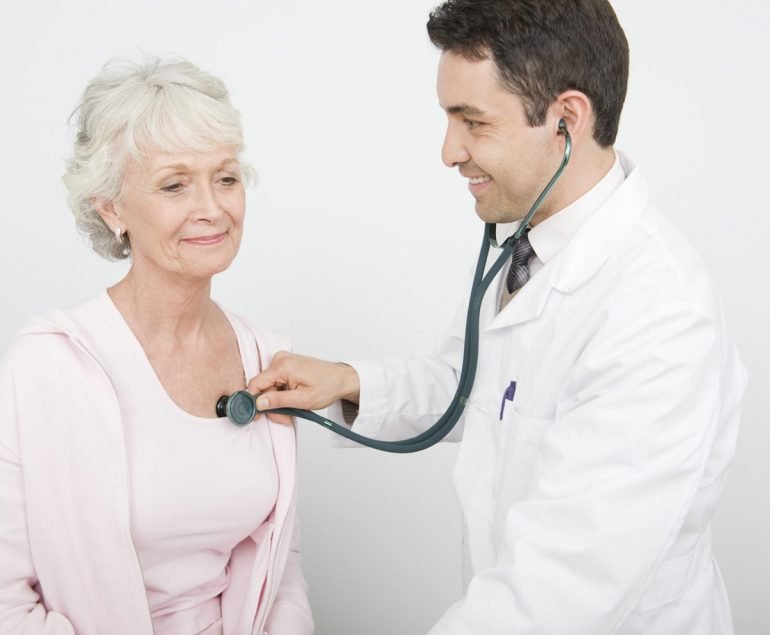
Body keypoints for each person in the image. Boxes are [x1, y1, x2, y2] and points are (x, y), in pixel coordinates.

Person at [250, 1, 747, 633]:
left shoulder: (659, 315)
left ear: (567, 119)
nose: (448, 151)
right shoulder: (530, 244)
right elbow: (478, 380)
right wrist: (347, 382)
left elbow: (560, 588)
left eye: (473, 121)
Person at [0, 56, 314, 635]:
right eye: (175, 185)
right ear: (112, 207)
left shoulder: (267, 357)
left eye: (226, 178)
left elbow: (279, 565)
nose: (212, 208)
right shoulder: (44, 367)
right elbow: (5, 603)